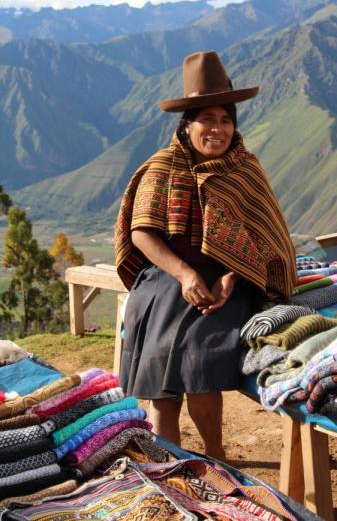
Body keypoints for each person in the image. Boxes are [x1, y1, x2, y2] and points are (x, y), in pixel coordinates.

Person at [115, 50, 296, 459]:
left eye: (225, 119)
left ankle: (216, 458)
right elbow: (141, 233)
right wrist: (183, 274)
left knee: (200, 363)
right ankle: (171, 468)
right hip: (165, 279)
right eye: (207, 120)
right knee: (163, 381)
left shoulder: (245, 169)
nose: (217, 129)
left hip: (230, 281)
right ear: (187, 125)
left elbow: (267, 238)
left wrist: (233, 275)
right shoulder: (162, 168)